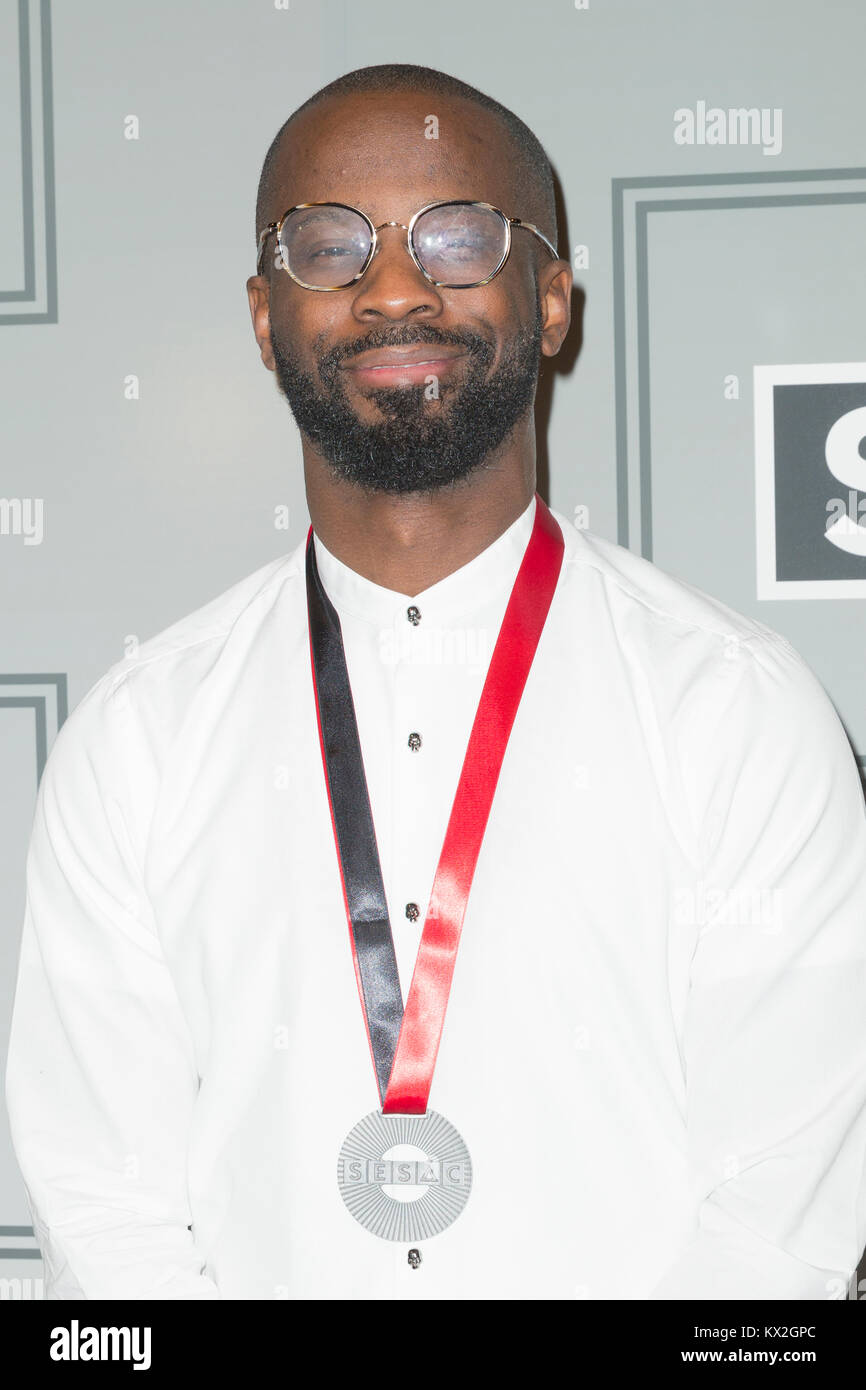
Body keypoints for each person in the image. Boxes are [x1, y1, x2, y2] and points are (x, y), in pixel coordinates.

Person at [6, 63, 866, 1301]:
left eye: (458, 236)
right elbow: (106, 1209)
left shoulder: (733, 713)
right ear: (263, 316)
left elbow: (779, 1216)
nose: (394, 286)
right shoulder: (138, 741)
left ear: (553, 299)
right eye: (328, 244)